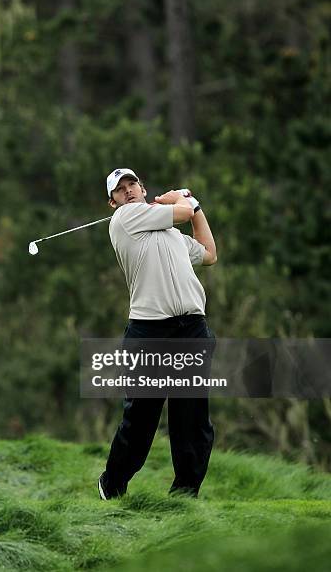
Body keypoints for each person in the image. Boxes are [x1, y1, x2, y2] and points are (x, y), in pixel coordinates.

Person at [98, 168, 217, 500]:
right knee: (141, 418)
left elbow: (209, 254)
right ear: (114, 203)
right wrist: (183, 200)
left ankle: (184, 495)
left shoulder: (172, 236)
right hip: (149, 330)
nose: (129, 191)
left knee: (192, 419)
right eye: (120, 190)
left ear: (142, 187)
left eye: (132, 184)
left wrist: (196, 208)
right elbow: (181, 211)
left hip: (192, 329)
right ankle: (113, 483)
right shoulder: (124, 220)